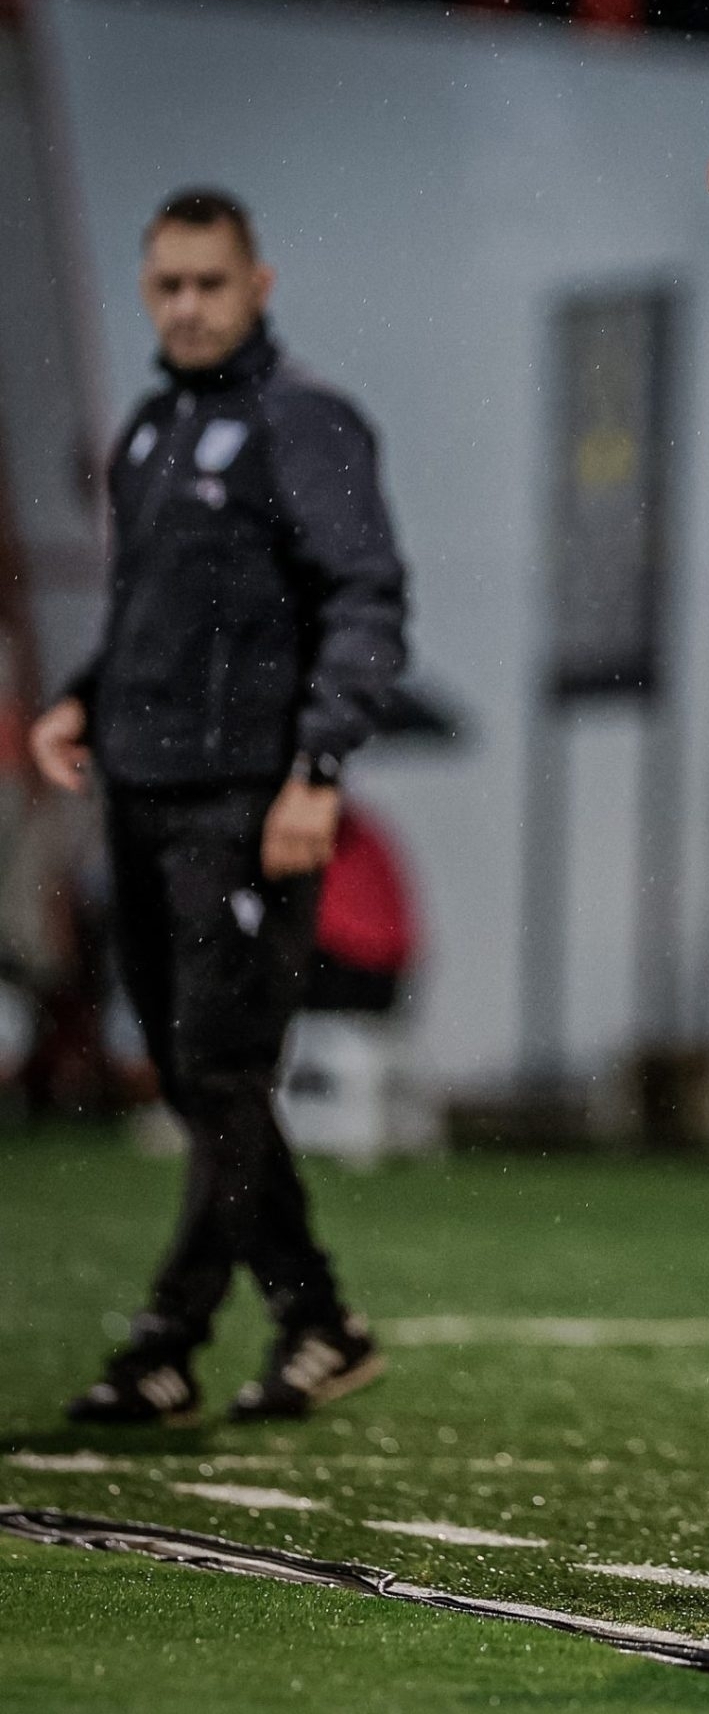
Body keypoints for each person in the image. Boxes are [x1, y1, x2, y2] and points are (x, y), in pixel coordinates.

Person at [30, 190, 407, 1426]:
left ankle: (167, 1340)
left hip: (250, 802)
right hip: (139, 794)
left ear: (259, 285)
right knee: (198, 1080)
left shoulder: (305, 423)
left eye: (209, 283)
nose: (187, 306)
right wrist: (83, 699)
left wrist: (317, 772)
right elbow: (154, 613)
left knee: (223, 1067)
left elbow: (365, 602)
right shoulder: (151, 431)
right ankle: (319, 1320)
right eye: (168, 285)